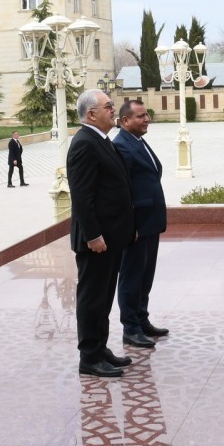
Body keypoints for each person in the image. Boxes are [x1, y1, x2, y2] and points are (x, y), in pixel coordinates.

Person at [66, 89, 135, 378]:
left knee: (103, 297)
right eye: (108, 107)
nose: (113, 110)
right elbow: (82, 196)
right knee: (92, 298)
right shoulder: (83, 143)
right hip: (96, 241)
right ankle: (89, 357)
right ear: (91, 114)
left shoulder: (101, 140)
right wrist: (93, 235)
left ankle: (100, 348)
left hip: (110, 239)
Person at [113, 99, 169, 348]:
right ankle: (131, 328)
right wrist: (129, 225)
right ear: (125, 121)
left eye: (146, 115)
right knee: (131, 276)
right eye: (140, 116)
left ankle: (142, 319)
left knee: (146, 275)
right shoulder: (121, 146)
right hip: (135, 225)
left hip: (150, 222)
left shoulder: (138, 141)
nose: (146, 119)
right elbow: (121, 191)